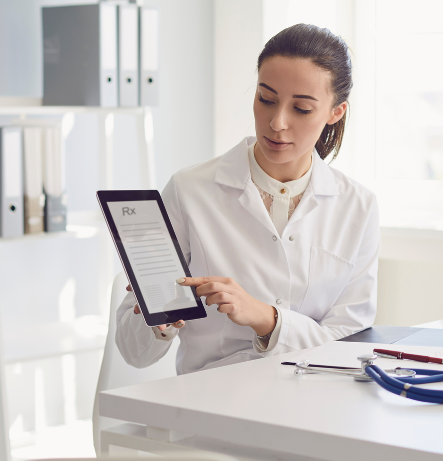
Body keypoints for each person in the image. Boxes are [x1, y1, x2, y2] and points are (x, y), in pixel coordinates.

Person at [115, 24, 379, 373]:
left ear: (335, 112)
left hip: (315, 403)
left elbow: (350, 342)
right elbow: (134, 353)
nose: (277, 122)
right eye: (266, 99)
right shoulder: (190, 190)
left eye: (301, 109)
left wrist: (267, 319)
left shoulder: (357, 206)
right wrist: (159, 318)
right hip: (213, 406)